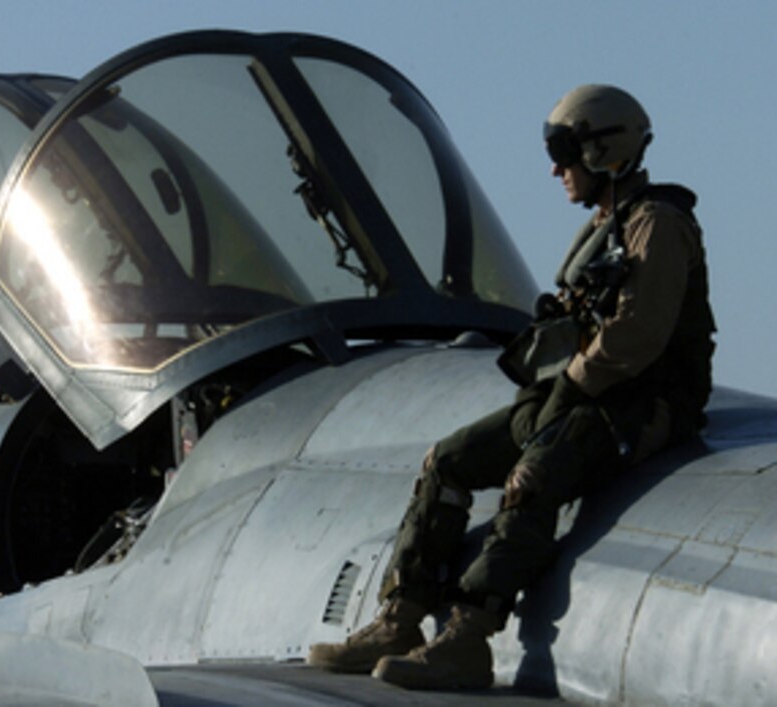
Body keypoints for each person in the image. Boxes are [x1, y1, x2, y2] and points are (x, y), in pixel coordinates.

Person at [307, 84, 716, 690]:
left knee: (532, 479)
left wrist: (569, 388)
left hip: (639, 401)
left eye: (565, 153)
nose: (556, 169)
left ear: (603, 151)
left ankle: (468, 639)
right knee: (446, 462)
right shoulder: (611, 225)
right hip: (583, 392)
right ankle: (400, 618)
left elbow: (636, 336)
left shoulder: (656, 224)